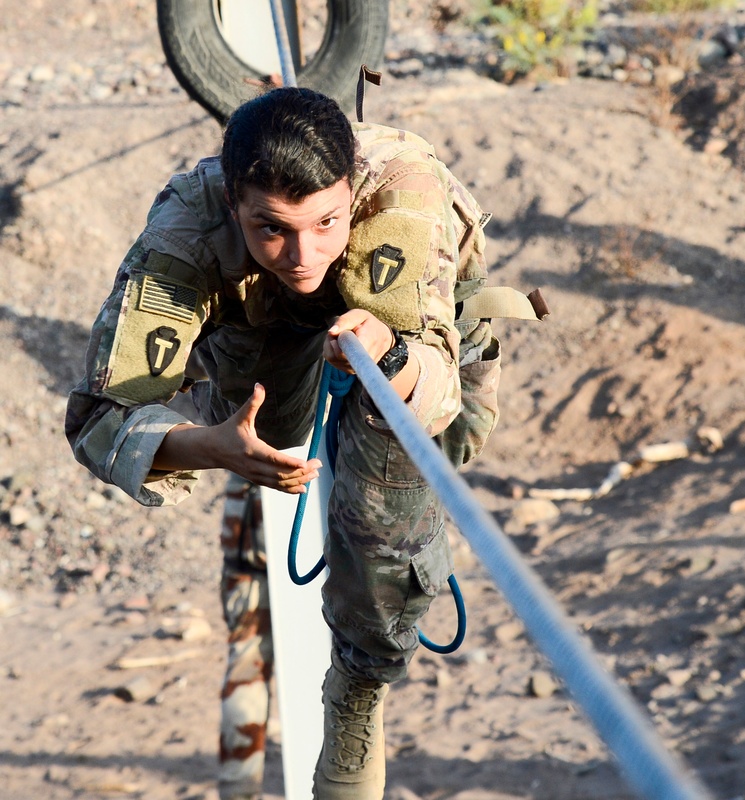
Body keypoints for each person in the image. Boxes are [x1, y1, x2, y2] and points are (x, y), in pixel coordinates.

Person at [66, 86, 503, 800]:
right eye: (272, 228)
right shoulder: (188, 227)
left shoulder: (404, 193)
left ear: (350, 192)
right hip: (261, 325)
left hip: (424, 344)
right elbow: (98, 418)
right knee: (270, 434)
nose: (304, 253)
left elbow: (439, 390)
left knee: (401, 427)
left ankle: (359, 684)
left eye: (325, 222)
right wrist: (211, 445)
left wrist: (390, 351)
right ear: (233, 200)